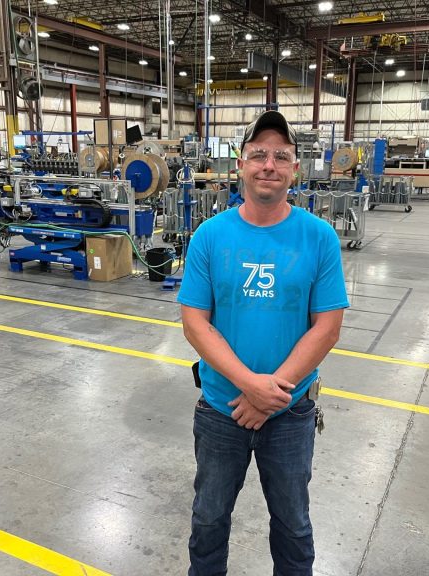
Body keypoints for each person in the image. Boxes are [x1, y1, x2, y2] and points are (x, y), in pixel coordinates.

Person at [177, 110, 349, 576]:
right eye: (258, 155)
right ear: (240, 165)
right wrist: (250, 385)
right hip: (221, 410)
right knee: (208, 521)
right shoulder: (210, 236)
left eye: (281, 156)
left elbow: (327, 328)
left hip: (290, 414)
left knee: (293, 527)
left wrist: (271, 394)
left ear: (295, 168)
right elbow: (195, 323)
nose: (269, 165)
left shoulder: (319, 237)